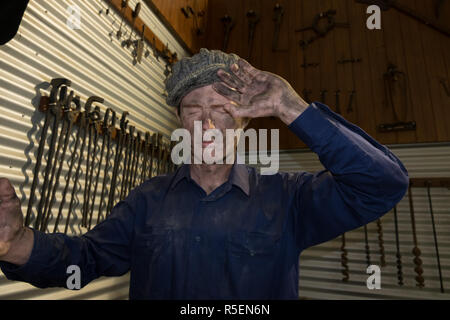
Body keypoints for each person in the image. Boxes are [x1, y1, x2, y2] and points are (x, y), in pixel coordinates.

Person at [0, 48, 409, 299]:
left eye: (223, 110)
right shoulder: (147, 201)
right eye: (195, 111)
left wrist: (293, 109)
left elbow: (382, 184)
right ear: (180, 124)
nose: (209, 125)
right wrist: (18, 245)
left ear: (246, 123)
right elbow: (84, 262)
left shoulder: (289, 199)